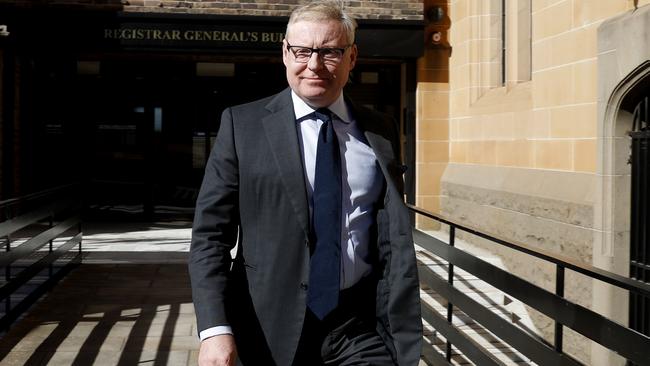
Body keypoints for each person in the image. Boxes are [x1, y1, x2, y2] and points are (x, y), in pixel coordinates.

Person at [188, 1, 422, 365]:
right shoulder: (241, 126)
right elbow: (210, 237)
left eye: (330, 51)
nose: (314, 64)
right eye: (302, 51)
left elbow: (386, 231)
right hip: (269, 328)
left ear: (352, 57)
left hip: (358, 326)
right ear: (285, 53)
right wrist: (215, 329)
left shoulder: (380, 129)